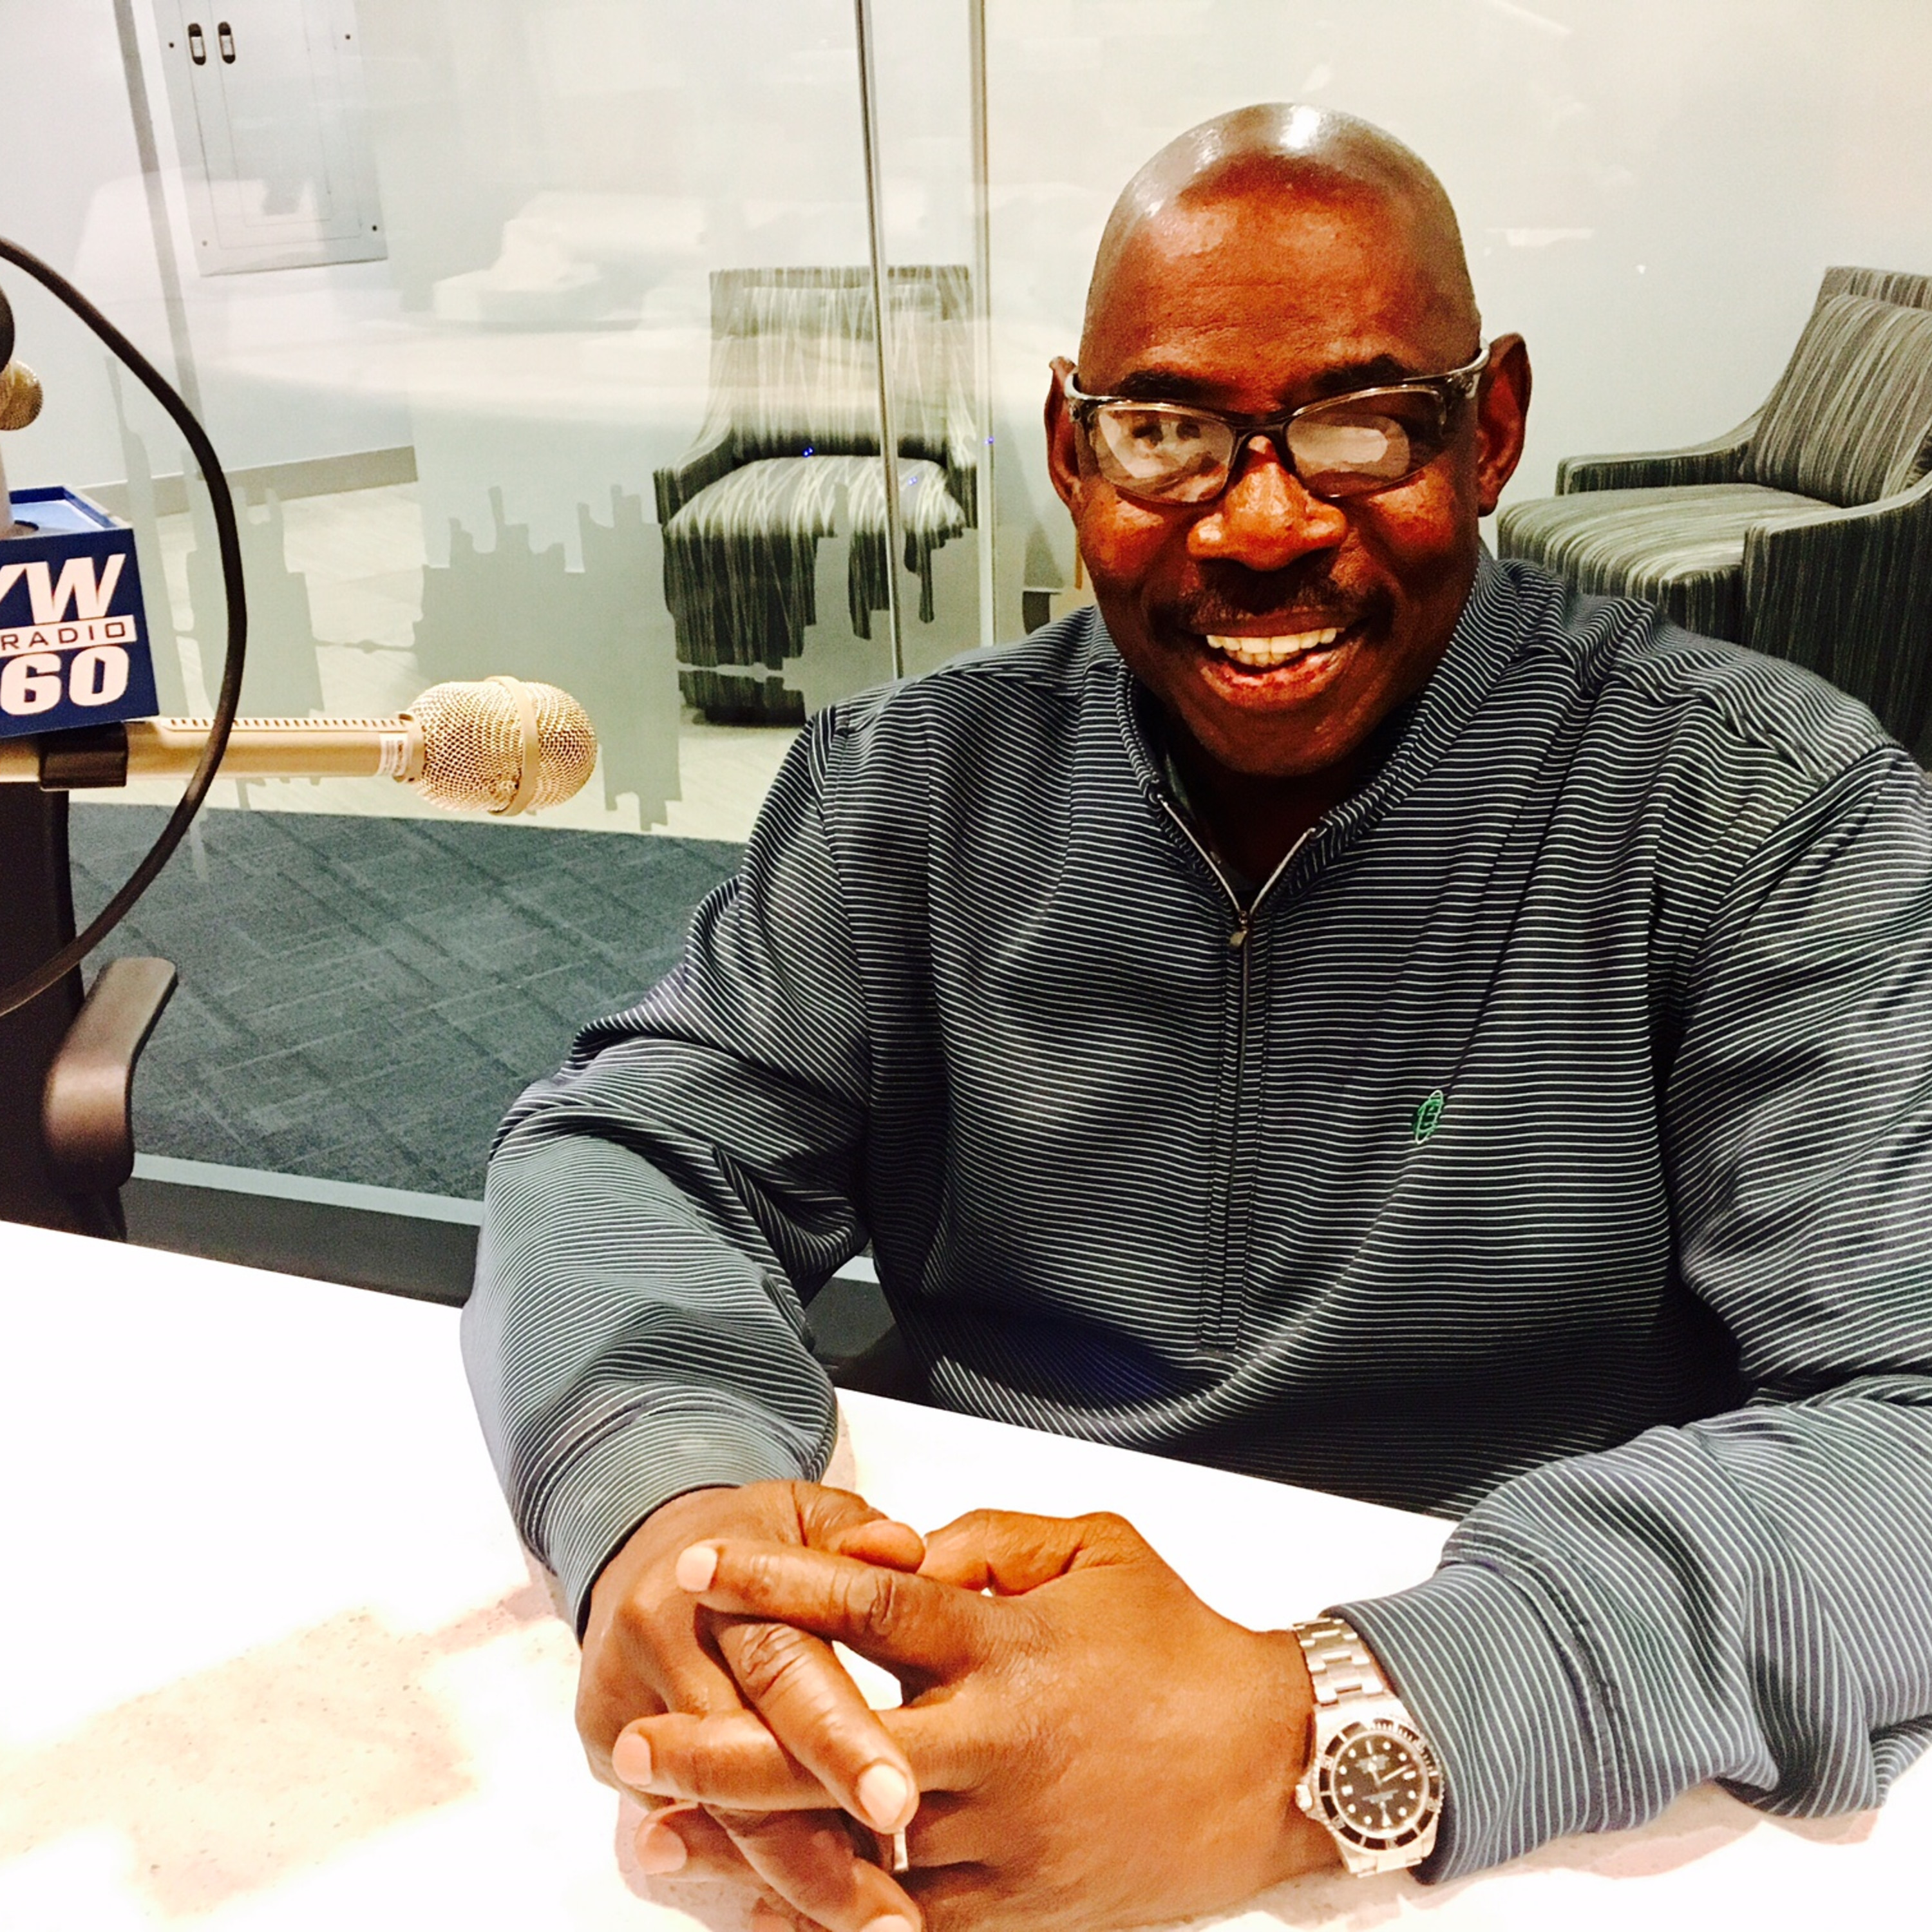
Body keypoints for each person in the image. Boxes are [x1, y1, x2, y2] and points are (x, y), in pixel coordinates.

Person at [463, 102, 1932, 1932]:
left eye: (1362, 423)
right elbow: (627, 1153)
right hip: (927, 1711)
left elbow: (1907, 1424)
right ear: (1071, 449)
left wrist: (1319, 1726)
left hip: (1517, 1788)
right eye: (1168, 433)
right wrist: (669, 1505)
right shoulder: (915, 788)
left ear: (1490, 428)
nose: (1258, 523)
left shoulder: (1764, 810)